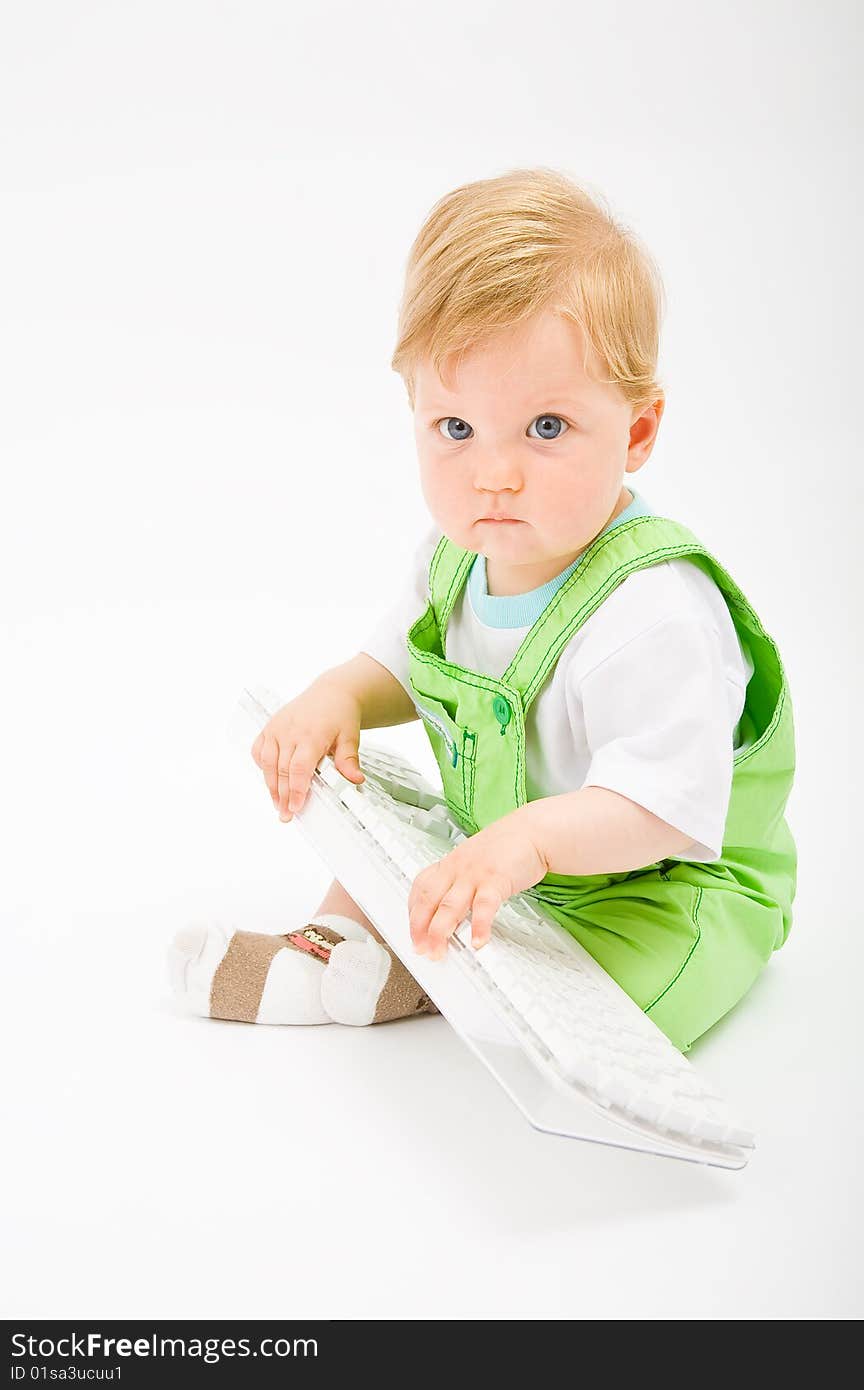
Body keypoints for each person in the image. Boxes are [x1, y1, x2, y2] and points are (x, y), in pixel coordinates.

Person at [168, 167, 796, 1052]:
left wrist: (532, 845)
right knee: (381, 816)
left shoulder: (656, 616)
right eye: (456, 430)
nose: (492, 473)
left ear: (639, 431)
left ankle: (423, 977)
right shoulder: (458, 552)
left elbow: (665, 805)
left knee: (602, 1015)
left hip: (661, 885)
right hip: (503, 851)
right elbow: (404, 656)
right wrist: (339, 697)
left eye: (545, 428)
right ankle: (334, 945)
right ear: (415, 415)